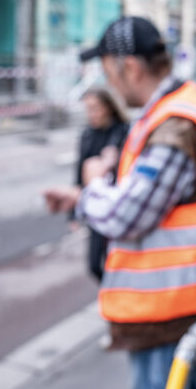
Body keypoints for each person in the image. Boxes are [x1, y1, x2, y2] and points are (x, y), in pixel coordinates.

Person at [43, 17, 196, 389]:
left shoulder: (177, 123)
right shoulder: (172, 112)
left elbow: (125, 216)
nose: (107, 81)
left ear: (130, 67)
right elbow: (149, 199)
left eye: (107, 69)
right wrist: (81, 199)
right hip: (171, 299)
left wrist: (92, 185)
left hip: (169, 303)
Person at [75, 87, 129, 282]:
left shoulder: (123, 130)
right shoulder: (87, 134)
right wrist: (73, 212)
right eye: (88, 109)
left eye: (95, 108)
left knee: (115, 261)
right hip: (93, 204)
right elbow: (80, 169)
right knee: (94, 264)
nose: (91, 114)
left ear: (108, 107)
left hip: (118, 205)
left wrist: (110, 163)